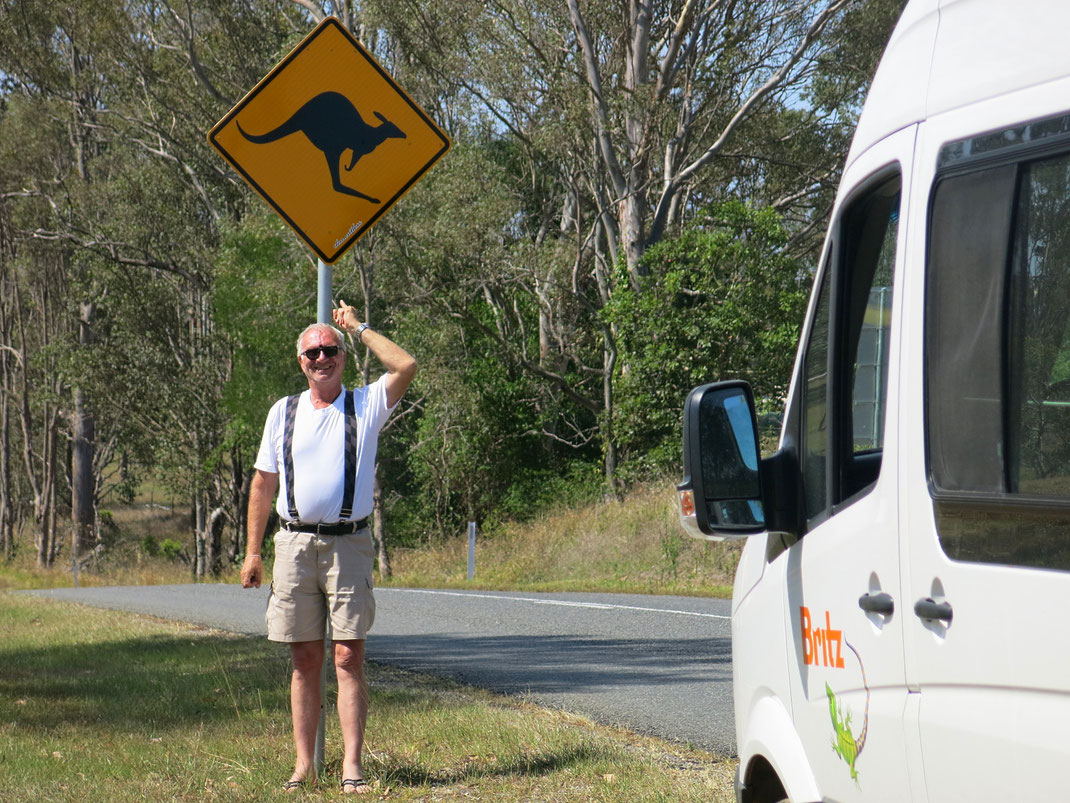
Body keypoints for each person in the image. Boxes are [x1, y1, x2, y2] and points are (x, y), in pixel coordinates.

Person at [240, 300, 416, 794]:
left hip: (349, 545)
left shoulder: (367, 403)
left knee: (347, 657)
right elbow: (263, 483)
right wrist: (253, 552)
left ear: (342, 355)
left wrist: (357, 328)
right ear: (301, 362)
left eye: (329, 350)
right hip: (293, 545)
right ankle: (303, 767)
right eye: (312, 353)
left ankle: (352, 768)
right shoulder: (284, 411)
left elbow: (405, 364)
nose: (322, 358)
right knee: (304, 659)